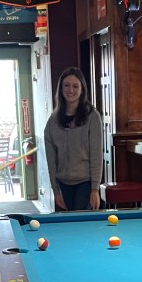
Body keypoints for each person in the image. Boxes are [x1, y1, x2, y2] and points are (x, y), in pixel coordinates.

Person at [43, 67, 103, 211]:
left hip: (85, 183)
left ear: (82, 90)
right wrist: (55, 190)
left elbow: (96, 156)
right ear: (61, 89)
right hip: (63, 184)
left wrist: (95, 189)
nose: (71, 90)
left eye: (75, 86)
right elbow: (51, 161)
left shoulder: (92, 117)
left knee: (82, 225)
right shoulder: (53, 121)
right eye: (67, 85)